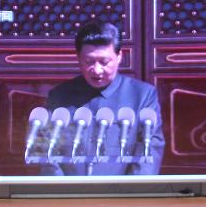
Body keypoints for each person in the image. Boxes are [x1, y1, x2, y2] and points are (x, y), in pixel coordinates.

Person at [42, 20, 164, 175]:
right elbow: (47, 150)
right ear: (78, 57)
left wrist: (131, 188)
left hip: (123, 189)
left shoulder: (143, 95)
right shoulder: (59, 96)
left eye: (104, 62)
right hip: (69, 188)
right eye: (89, 62)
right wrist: (62, 187)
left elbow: (150, 150)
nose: (97, 70)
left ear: (119, 56)